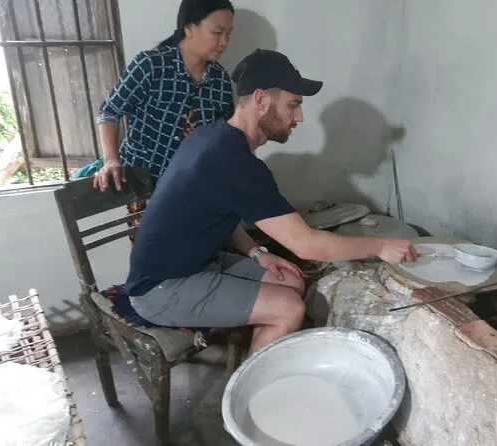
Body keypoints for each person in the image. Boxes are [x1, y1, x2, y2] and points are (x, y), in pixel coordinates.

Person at [125, 49, 419, 354]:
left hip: (197, 262)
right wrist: (380, 246)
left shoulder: (213, 136)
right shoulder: (234, 161)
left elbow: (218, 211)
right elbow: (306, 245)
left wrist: (257, 253)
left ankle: (260, 351)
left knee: (292, 281)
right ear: (262, 100)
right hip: (160, 288)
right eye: (293, 105)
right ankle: (252, 383)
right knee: (290, 308)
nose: (299, 117)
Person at [90, 0, 236, 240]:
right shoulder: (151, 65)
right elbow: (109, 111)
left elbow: (226, 134)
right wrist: (111, 159)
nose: (224, 42)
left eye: (228, 34)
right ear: (189, 28)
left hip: (193, 188)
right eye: (217, 32)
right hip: (145, 188)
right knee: (154, 254)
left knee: (199, 251)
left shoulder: (219, 80)